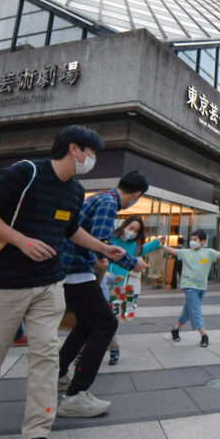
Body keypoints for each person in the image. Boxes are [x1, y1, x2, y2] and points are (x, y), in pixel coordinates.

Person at [0, 125, 129, 439]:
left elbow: (70, 229)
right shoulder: (26, 172)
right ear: (74, 149)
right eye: (91, 152)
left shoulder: (75, 190)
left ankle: (37, 434)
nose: (92, 159)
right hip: (2, 286)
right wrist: (21, 241)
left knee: (46, 359)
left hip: (49, 284)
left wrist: (102, 247)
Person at [56, 171, 149, 418]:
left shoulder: (100, 198)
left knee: (86, 325)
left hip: (72, 269)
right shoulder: (108, 203)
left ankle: (57, 374)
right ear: (137, 194)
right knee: (106, 323)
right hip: (77, 271)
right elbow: (103, 245)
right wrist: (133, 263)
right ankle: (76, 395)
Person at [100, 215, 165, 365]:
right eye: (131, 228)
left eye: (136, 231)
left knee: (109, 320)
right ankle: (87, 351)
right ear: (125, 225)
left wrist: (156, 242)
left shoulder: (134, 245)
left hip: (118, 287)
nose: (132, 232)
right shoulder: (111, 236)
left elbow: (143, 250)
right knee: (95, 318)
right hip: (100, 282)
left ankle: (113, 349)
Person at [163, 230, 220, 346]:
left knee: (188, 310)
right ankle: (204, 335)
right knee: (196, 310)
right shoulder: (186, 252)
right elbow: (173, 251)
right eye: (191, 239)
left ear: (202, 241)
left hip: (201, 287)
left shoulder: (209, 252)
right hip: (189, 286)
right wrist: (161, 245)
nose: (192, 242)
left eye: (195, 240)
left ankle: (175, 329)